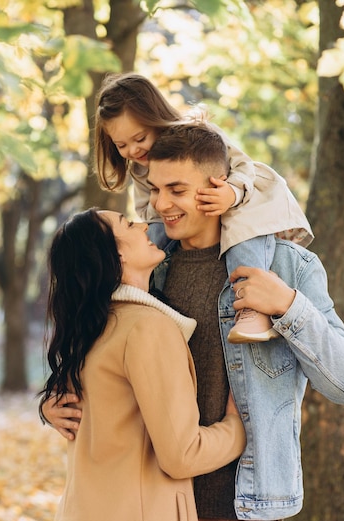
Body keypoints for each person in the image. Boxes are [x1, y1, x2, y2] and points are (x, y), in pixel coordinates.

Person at [41, 124, 344, 521]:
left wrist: (288, 307)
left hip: (242, 509)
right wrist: (62, 398)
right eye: (155, 189)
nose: (160, 205)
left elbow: (343, 380)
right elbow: (99, 352)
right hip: (154, 517)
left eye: (177, 190)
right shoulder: (149, 273)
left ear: (216, 186)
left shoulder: (287, 266)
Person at [41, 207, 246, 521]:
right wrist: (238, 428)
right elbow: (182, 455)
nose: (143, 222)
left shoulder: (92, 329)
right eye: (126, 224)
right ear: (114, 257)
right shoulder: (146, 329)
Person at [94, 72, 314, 343]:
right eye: (121, 145)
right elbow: (149, 209)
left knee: (241, 237)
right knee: (147, 241)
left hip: (239, 202)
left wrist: (231, 193)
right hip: (177, 219)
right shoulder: (140, 165)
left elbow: (244, 166)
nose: (133, 150)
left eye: (139, 138)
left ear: (155, 118)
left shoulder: (199, 135)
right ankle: (135, 296)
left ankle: (252, 308)